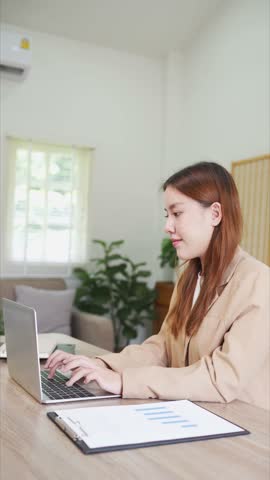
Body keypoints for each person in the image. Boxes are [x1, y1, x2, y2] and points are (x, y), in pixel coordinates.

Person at [45, 162, 270, 409]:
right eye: (167, 215)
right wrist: (101, 365)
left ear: (215, 214)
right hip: (193, 413)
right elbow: (162, 347)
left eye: (177, 213)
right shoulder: (188, 279)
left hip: (242, 428)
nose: (167, 226)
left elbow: (223, 378)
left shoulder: (258, 282)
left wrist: (123, 381)